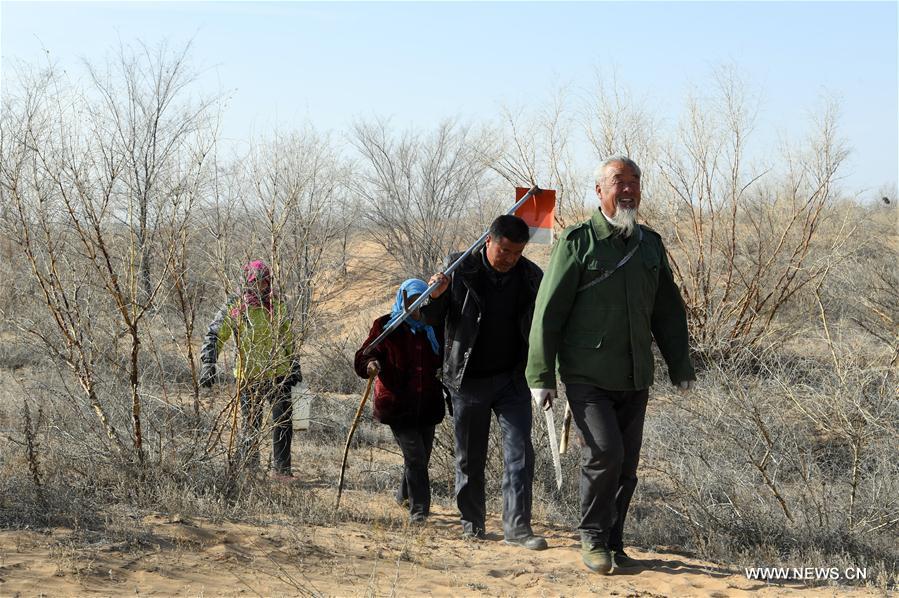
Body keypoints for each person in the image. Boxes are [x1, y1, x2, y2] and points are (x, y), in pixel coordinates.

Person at [526, 155, 696, 574]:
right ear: (599, 190)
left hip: (636, 375)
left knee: (627, 464)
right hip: (587, 376)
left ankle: (615, 542)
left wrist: (681, 365)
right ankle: (593, 538)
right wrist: (540, 375)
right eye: (618, 181)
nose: (628, 189)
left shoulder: (650, 244)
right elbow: (548, 311)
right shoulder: (577, 242)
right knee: (605, 453)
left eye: (635, 181)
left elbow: (667, 311)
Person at [423, 214, 547, 550]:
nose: (509, 258)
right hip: (467, 379)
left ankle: (517, 528)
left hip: (512, 380)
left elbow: (543, 328)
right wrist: (435, 296)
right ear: (488, 241)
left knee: (520, 454)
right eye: (504, 250)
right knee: (469, 457)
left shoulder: (532, 276)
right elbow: (431, 320)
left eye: (517, 252)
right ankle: (472, 524)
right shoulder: (460, 269)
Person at [200, 260, 303, 479]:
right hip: (249, 376)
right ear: (247, 281)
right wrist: (209, 364)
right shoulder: (236, 306)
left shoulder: (277, 305)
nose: (261, 285)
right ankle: (250, 470)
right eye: (256, 281)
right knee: (250, 424)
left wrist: (294, 365)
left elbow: (287, 337)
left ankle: (282, 471)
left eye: (265, 281)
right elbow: (215, 335)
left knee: (283, 423)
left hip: (279, 373)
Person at [354, 279, 446, 524]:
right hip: (398, 405)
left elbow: (444, 355)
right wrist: (371, 364)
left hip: (427, 405)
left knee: (421, 457)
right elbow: (365, 354)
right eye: (410, 300)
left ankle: (403, 496)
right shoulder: (386, 326)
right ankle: (419, 511)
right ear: (401, 299)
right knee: (415, 456)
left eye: (419, 299)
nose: (414, 305)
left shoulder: (431, 326)